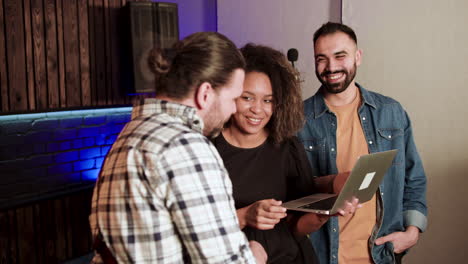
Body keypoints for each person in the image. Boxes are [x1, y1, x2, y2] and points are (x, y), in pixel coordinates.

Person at [89, 32, 267, 263]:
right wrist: (253, 255)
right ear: (205, 94)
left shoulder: (128, 136)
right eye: (233, 98)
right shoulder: (184, 146)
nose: (234, 110)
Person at [211, 43, 360, 264]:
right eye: (247, 98)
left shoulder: (287, 147)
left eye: (268, 100)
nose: (258, 109)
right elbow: (193, 228)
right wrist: (244, 215)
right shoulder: (208, 150)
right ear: (230, 95)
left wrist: (321, 215)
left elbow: (295, 228)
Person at [298, 22, 428, 264]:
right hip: (320, 257)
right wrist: (330, 184)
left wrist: (412, 232)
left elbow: (414, 178)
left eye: (340, 56)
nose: (331, 67)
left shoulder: (391, 112)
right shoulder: (297, 119)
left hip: (381, 257)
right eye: (321, 58)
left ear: (357, 57)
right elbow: (291, 192)